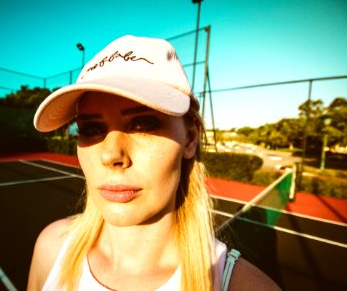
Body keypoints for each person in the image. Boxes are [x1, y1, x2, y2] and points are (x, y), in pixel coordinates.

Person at [27, 35, 280, 291]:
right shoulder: (52, 248)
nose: (111, 155)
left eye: (142, 125)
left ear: (190, 139)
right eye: (91, 128)